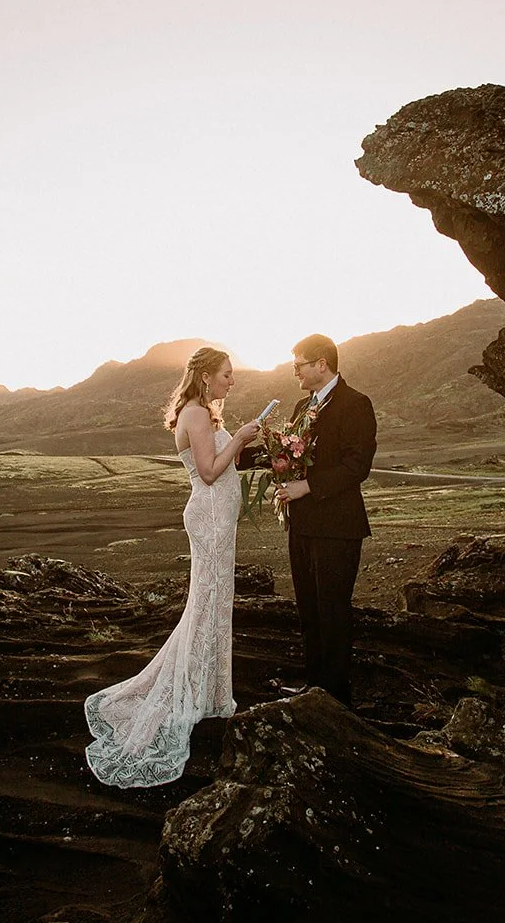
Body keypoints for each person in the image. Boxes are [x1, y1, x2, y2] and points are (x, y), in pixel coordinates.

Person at [84, 346, 260, 787]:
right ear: (204, 376)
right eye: (226, 374)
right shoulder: (197, 415)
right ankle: (194, 696)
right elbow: (208, 471)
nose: (231, 381)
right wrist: (238, 439)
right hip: (211, 518)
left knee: (215, 603)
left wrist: (248, 444)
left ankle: (211, 692)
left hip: (220, 518)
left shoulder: (204, 413)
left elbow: (225, 467)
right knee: (207, 604)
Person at [272, 334, 376, 705]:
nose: (294, 370)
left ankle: (334, 698)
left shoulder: (355, 404)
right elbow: (287, 454)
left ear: (321, 364)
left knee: (332, 609)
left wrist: (308, 487)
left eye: (299, 363)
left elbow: (356, 465)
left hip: (337, 526)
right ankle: (313, 689)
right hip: (302, 526)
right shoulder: (303, 405)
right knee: (308, 609)